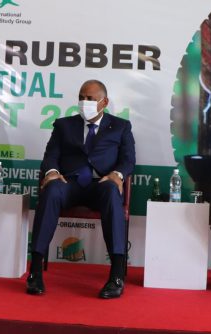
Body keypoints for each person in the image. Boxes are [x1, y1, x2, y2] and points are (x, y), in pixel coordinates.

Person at [26, 79, 135, 299]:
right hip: (70, 183)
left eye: (90, 99)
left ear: (104, 102)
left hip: (100, 184)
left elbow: (128, 160)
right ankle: (35, 271)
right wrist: (52, 172)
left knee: (111, 192)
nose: (84, 102)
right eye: (81, 97)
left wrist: (117, 175)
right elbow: (51, 156)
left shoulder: (121, 127)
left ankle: (115, 277)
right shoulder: (64, 125)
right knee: (51, 190)